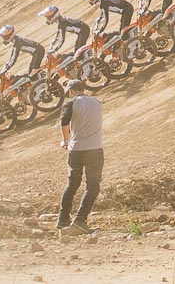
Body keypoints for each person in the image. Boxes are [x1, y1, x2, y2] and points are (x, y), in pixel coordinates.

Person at [55, 79, 104, 235]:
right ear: (83, 89)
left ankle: (63, 220)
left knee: (73, 184)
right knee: (93, 186)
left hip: (76, 150)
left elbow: (64, 122)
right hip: (95, 149)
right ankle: (80, 220)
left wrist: (65, 140)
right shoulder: (97, 102)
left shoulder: (71, 104)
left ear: (70, 91)